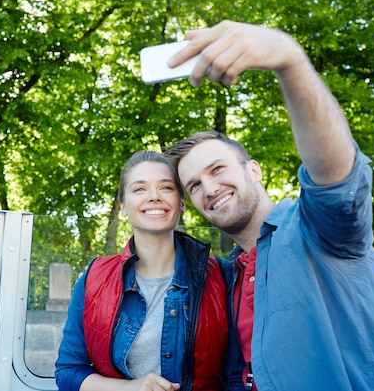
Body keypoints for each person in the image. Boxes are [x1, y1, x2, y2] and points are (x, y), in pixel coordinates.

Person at [165, 20, 374, 391]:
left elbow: (336, 178)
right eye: (194, 185)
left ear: (253, 169)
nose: (209, 188)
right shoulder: (228, 277)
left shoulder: (318, 230)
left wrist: (291, 62)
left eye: (217, 168)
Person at [55, 150, 245, 391]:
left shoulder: (223, 276)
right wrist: (129, 388)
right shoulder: (93, 277)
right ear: (123, 206)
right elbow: (68, 372)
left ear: (182, 202)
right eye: (139, 189)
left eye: (166, 188)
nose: (154, 197)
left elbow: (237, 377)